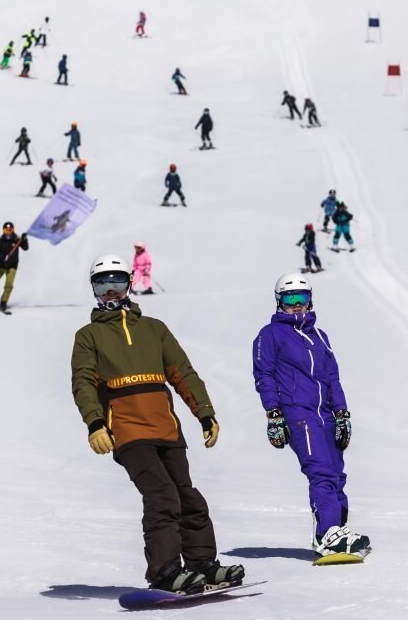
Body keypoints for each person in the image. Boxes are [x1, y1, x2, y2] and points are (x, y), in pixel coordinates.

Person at [71, 254, 244, 594]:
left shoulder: (154, 329)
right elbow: (82, 382)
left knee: (188, 497)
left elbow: (182, 372)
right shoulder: (88, 335)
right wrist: (94, 423)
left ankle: (202, 565)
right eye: (102, 283)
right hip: (127, 430)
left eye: (116, 282)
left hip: (166, 427)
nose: (110, 291)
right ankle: (164, 571)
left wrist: (204, 413)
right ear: (94, 289)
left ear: (128, 285)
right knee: (162, 496)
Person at [252, 274, 370, 558]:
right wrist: (274, 414)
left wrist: (342, 413)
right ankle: (327, 533)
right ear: (279, 302)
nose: (297, 305)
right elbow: (263, 375)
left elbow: (332, 377)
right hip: (298, 413)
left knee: (336, 474)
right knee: (321, 471)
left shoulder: (319, 336)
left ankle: (335, 531)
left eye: (302, 299)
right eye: (290, 299)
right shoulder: (270, 334)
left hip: (326, 414)